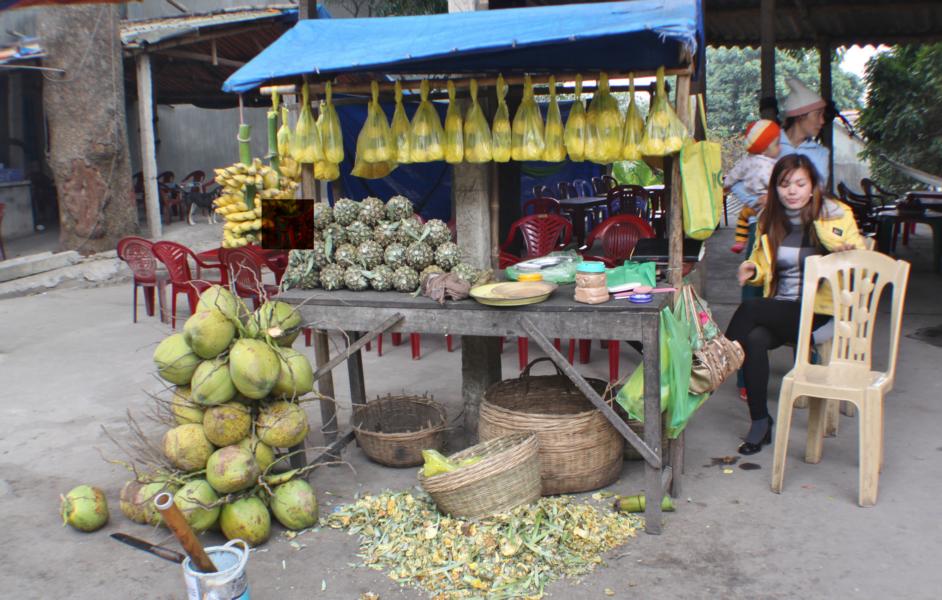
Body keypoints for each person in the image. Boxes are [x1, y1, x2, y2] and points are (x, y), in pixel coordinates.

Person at [725, 153, 867, 455]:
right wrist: (753, 270)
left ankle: (714, 363)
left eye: (800, 184)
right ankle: (760, 422)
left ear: (813, 185)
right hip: (785, 310)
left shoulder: (835, 214)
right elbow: (761, 263)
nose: (792, 191)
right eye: (785, 184)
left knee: (750, 310)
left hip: (822, 313)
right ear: (775, 188)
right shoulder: (769, 219)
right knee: (754, 338)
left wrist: (843, 252)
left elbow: (861, 260)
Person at [725, 119, 782, 253]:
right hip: (765, 205)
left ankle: (740, 241)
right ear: (765, 147)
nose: (780, 148)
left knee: (743, 218)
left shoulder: (746, 161)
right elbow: (774, 184)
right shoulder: (770, 165)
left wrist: (726, 186)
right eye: (777, 144)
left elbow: (733, 175)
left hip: (750, 203)